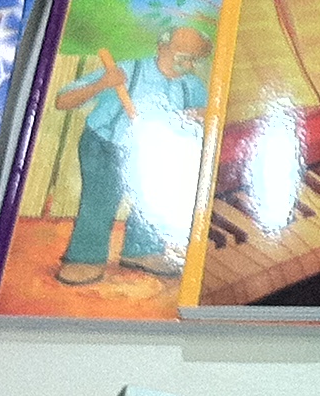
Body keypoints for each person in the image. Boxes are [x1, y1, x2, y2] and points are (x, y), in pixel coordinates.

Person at [53, 23, 213, 287]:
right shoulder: (129, 71)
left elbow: (210, 113)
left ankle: (141, 251)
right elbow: (63, 101)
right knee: (100, 201)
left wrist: (197, 115)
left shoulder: (192, 85)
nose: (189, 65)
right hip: (106, 145)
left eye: (196, 60)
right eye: (184, 57)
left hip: (156, 151)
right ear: (162, 47)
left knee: (151, 202)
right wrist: (102, 83)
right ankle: (85, 258)